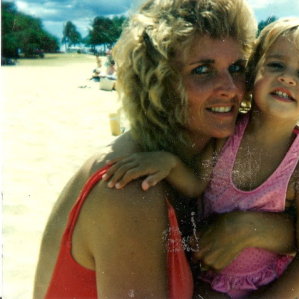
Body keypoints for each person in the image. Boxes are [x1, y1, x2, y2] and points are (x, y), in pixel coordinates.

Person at [103, 17, 299, 299]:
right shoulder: (226, 137)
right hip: (209, 280)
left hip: (268, 284)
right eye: (276, 65)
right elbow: (196, 185)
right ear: (252, 75)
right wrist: (170, 164)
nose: (287, 77)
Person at [34, 0, 274, 298]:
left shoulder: (207, 155)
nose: (231, 87)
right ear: (158, 81)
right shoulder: (130, 187)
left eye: (237, 67)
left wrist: (254, 226)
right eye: (202, 69)